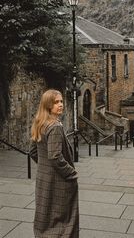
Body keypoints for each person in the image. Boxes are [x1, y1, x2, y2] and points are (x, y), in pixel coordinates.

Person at [29, 89, 79, 237]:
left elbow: (33, 151)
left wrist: (46, 168)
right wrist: (71, 173)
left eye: (61, 101)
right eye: (56, 102)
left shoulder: (41, 123)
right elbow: (55, 156)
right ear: (48, 105)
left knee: (45, 216)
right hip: (59, 181)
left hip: (44, 179)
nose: (60, 105)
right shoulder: (55, 126)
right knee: (63, 219)